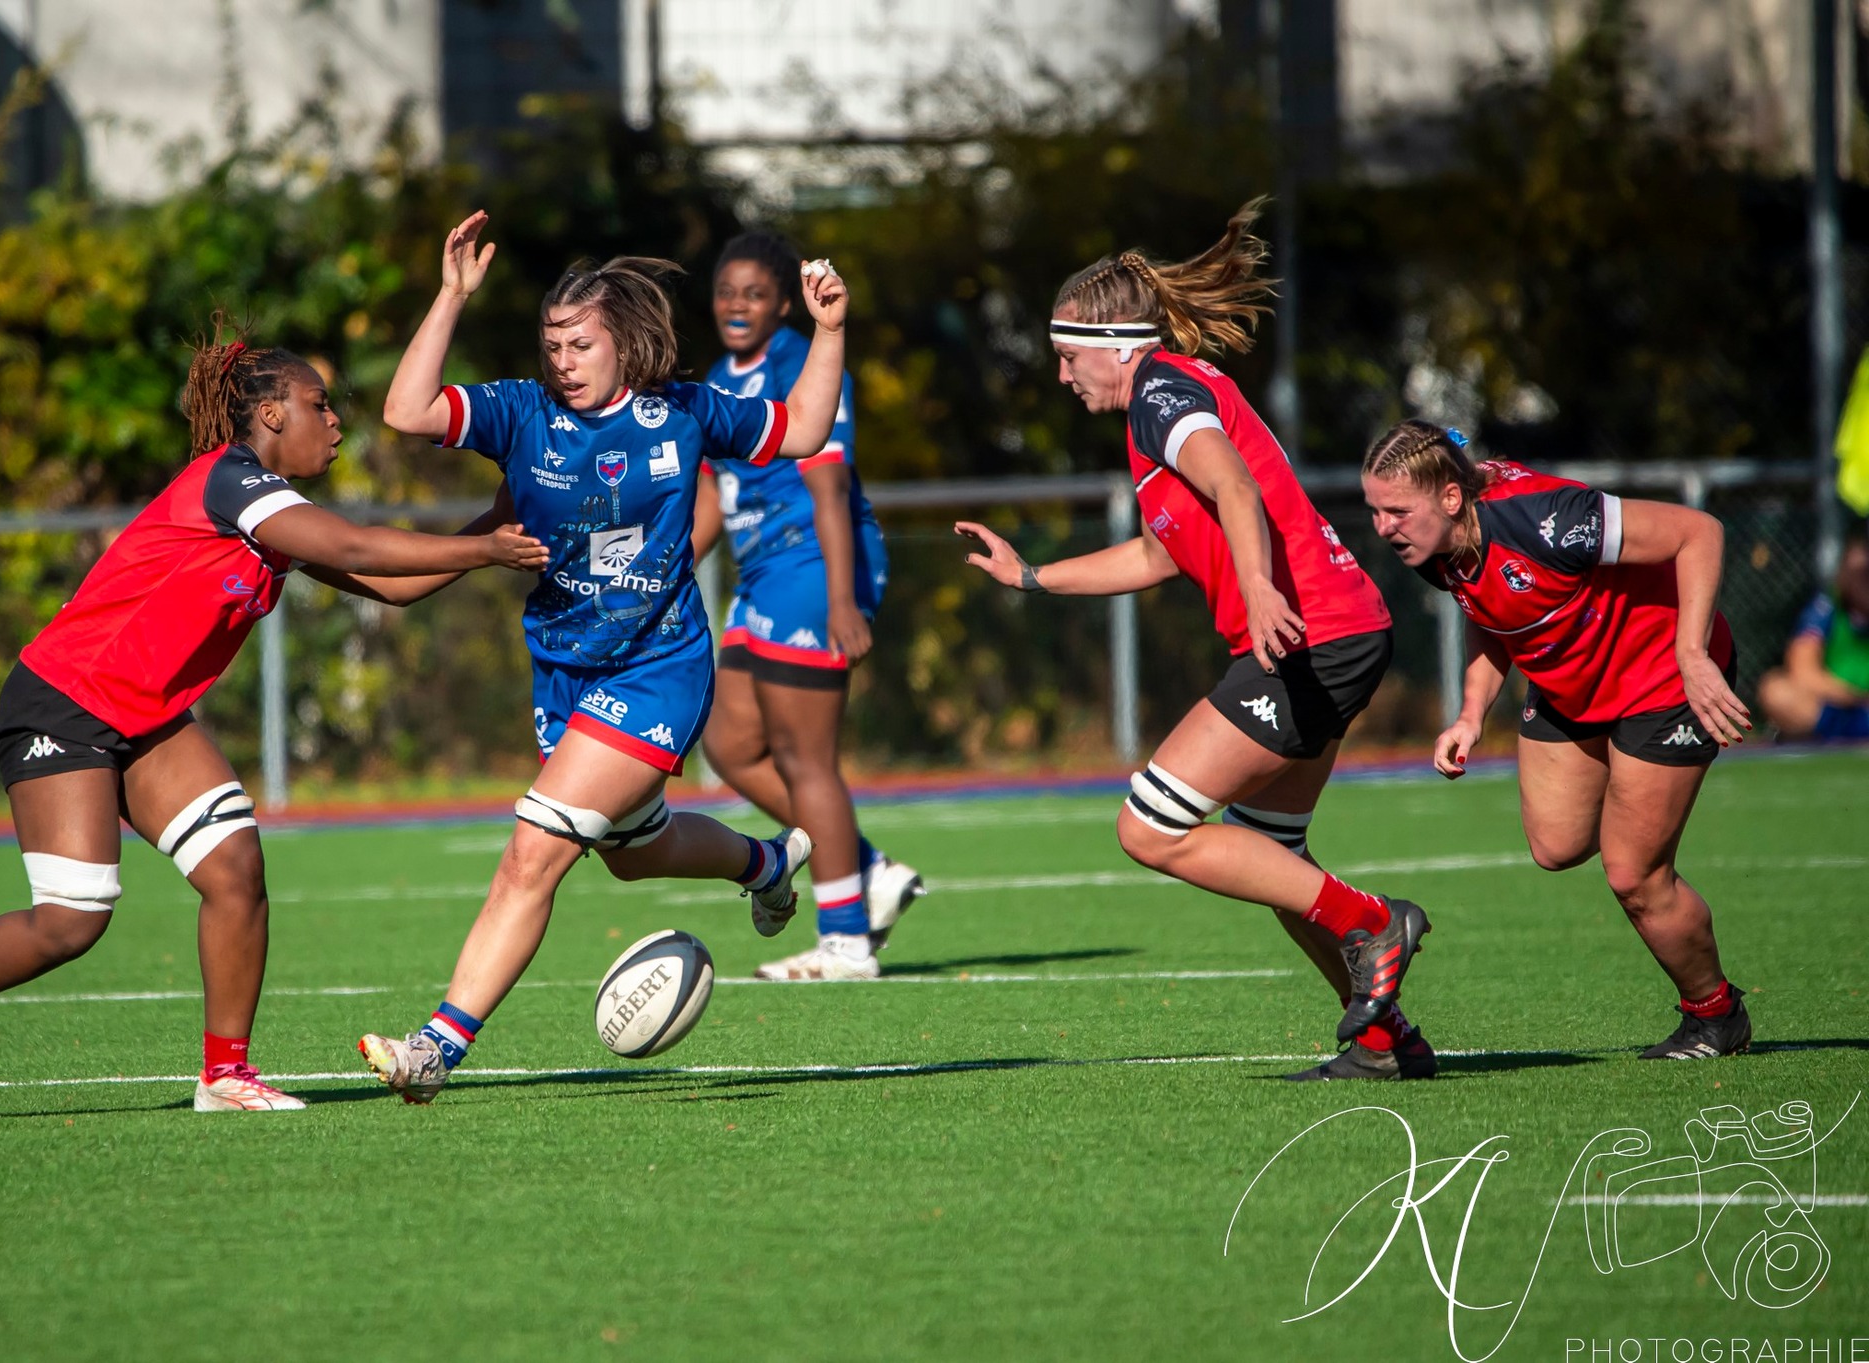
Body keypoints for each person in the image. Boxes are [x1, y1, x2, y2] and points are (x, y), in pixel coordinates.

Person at [0, 319, 549, 1115]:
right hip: (63, 697)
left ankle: (225, 1076)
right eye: (319, 404)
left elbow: (395, 586)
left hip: (146, 714)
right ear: (270, 414)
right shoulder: (229, 480)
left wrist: (499, 522)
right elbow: (362, 547)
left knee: (235, 872)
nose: (335, 422)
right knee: (74, 918)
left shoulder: (274, 514)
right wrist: (483, 551)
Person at [358, 213, 852, 1103]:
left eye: (579, 343)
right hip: (563, 670)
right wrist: (450, 296)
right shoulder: (521, 412)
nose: (562, 360)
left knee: (533, 851)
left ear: (624, 342)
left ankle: (436, 1048)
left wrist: (829, 329)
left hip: (659, 667)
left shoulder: (689, 413)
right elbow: (404, 411)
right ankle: (767, 865)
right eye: (552, 344)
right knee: (632, 851)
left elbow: (808, 430)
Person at [957, 200, 1436, 1081]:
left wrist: (1257, 587)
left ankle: (1374, 921)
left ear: (1114, 345)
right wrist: (1032, 577)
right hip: (1338, 629)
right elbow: (1156, 551)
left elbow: (1236, 487)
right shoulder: (1162, 406)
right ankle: (1381, 1039)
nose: (1063, 378)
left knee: (1150, 826)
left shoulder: (1161, 392)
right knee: (1276, 856)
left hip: (1307, 634)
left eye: (1067, 358)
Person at [1360, 420, 1755, 1059]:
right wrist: (1469, 713)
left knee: (1633, 875)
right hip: (1570, 683)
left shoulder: (1545, 518)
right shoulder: (1434, 550)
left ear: (1451, 499)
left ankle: (1715, 1013)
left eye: (1397, 511)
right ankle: (1636, 799)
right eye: (1375, 511)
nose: (1383, 528)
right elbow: (1493, 616)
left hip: (1661, 676)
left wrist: (1691, 654)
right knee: (1556, 845)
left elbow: (1698, 533)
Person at [691, 231, 924, 982]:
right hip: (759, 573)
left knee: (803, 756)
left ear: (784, 303)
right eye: (728, 290)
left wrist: (841, 597)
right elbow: (708, 503)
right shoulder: (717, 379)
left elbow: (827, 483)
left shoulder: (801, 360)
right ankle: (865, 866)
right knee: (729, 745)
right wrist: (651, 579)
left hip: (811, 563)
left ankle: (847, 942)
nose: (737, 304)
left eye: (755, 293)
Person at [1758, 530, 1869, 740]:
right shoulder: (1826, 608)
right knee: (1775, 690)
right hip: (1839, 708)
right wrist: (1855, 697)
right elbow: (1803, 672)